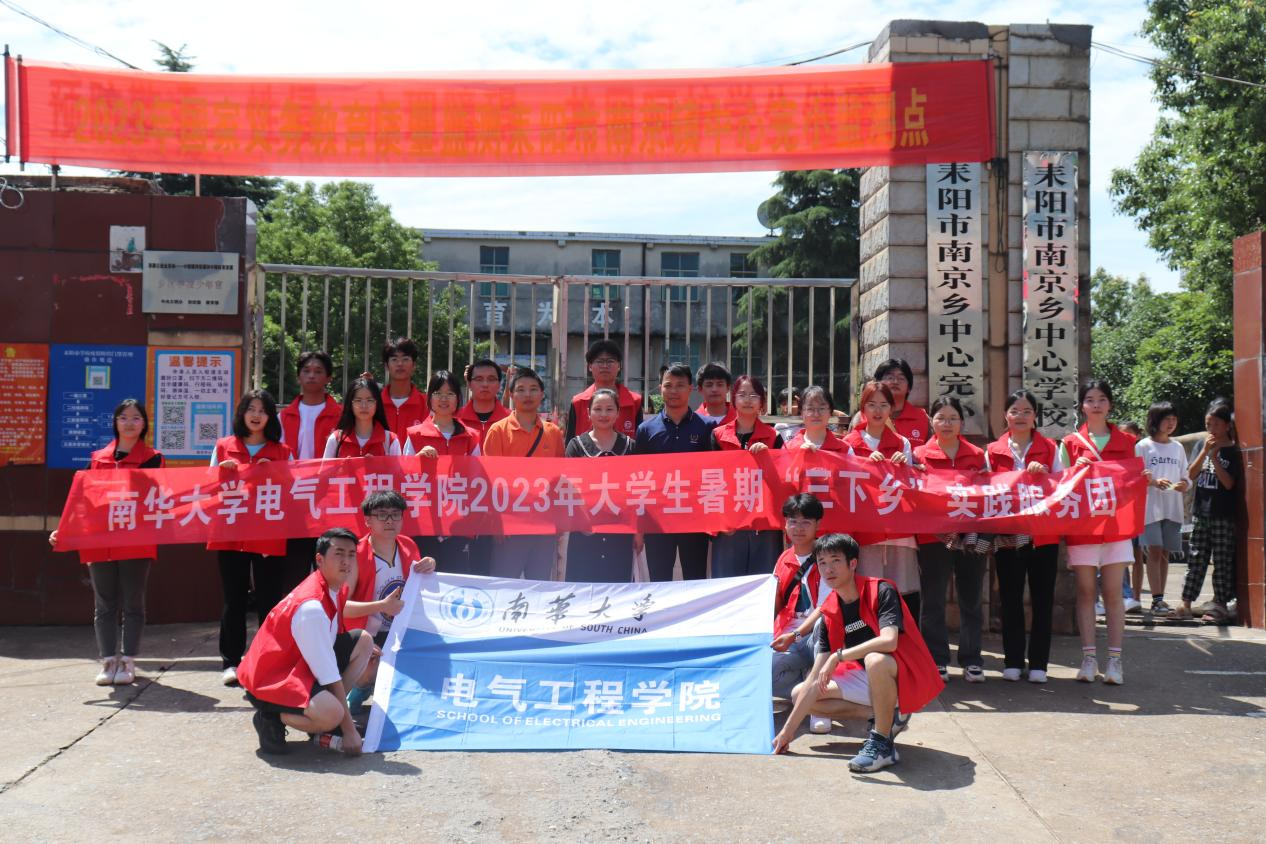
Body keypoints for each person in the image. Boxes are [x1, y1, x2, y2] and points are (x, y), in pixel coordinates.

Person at [771, 533, 943, 772]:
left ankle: (882, 745)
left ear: (853, 563)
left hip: (903, 676)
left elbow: (889, 641)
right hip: (869, 679)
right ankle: (887, 716)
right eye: (822, 562)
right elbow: (815, 677)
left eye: (835, 560)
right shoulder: (831, 610)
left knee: (875, 659)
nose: (828, 569)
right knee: (800, 694)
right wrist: (786, 733)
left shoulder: (880, 589)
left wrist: (839, 656)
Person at [49, 399, 164, 686]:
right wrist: (64, 530)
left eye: (136, 418)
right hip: (99, 541)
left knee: (133, 601)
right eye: (123, 417)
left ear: (144, 423)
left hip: (135, 540)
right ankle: (108, 659)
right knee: (104, 604)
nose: (129, 423)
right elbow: (80, 499)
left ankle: (128, 660)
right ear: (115, 422)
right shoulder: (97, 458)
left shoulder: (153, 458)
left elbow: (156, 497)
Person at [238, 528, 373, 756]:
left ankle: (322, 718)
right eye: (339, 554)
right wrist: (349, 730)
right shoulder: (312, 608)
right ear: (319, 559)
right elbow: (328, 674)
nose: (347, 561)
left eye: (351, 554)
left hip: (296, 665)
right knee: (332, 713)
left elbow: (332, 644)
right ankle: (271, 716)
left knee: (364, 642)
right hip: (269, 680)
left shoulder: (333, 586)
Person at [1059, 379, 1142, 685]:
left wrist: (1145, 477)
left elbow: (1133, 481)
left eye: (1102, 399)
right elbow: (1060, 485)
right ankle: (1089, 659)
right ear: (1082, 406)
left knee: (1113, 593)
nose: (1096, 405)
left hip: (1117, 527)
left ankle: (1115, 661)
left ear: (1110, 405)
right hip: (1084, 528)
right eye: (1090, 399)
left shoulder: (1127, 441)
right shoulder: (1070, 443)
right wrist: (1074, 470)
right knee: (1085, 592)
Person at [209, 389, 294, 687]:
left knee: (269, 600)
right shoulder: (223, 447)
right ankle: (231, 661)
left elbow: (294, 491)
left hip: (269, 533)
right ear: (242, 414)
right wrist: (221, 474)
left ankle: (265, 661)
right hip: (231, 532)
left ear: (271, 417)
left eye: (263, 410)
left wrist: (276, 473)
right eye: (251, 409)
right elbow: (207, 488)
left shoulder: (282, 451)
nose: (256, 415)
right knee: (233, 598)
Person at [985, 389, 1063, 683]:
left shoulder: (1051, 448)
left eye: (1027, 411)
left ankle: (1040, 664)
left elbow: (1064, 486)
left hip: (1043, 535)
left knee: (1043, 599)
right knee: (1010, 598)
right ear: (1005, 416)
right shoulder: (993, 451)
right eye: (1014, 411)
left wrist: (1045, 475)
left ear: (1035, 416)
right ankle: (1013, 660)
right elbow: (985, 489)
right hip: (1008, 535)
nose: (1020, 416)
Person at [913, 397, 988, 683]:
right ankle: (936, 659)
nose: (947, 423)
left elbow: (989, 490)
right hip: (933, 536)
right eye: (941, 418)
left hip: (971, 534)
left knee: (971, 599)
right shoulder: (919, 455)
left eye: (953, 418)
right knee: (933, 600)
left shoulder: (977, 455)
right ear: (931, 422)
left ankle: (972, 659)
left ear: (962, 423)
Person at [342, 491, 436, 713]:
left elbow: (419, 587)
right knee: (370, 665)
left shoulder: (408, 545)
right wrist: (381, 606)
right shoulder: (356, 555)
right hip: (365, 634)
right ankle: (359, 688)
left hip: (399, 629)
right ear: (368, 520)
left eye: (395, 514)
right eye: (382, 515)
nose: (389, 520)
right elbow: (341, 608)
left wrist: (430, 564)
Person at [843, 381, 921, 622]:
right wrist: (865, 465)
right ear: (862, 408)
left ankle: (905, 640)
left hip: (898, 530)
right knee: (868, 589)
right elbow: (845, 484)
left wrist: (905, 467)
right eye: (872, 404)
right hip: (865, 529)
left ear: (891, 408)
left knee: (904, 591)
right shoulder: (849, 444)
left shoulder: (902, 443)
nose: (878, 410)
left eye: (884, 405)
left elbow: (911, 486)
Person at [633, 363, 717, 581]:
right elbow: (638, 479)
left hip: (695, 518)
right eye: (668, 385)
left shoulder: (707, 427)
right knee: (659, 581)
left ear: (691, 389)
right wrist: (638, 527)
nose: (673, 391)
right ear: (660, 388)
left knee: (695, 579)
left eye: (680, 385)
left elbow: (715, 473)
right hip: (657, 520)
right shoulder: (646, 429)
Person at [484, 367, 566, 580]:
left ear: (542, 394)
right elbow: (491, 480)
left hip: (544, 524)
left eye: (533, 389)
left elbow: (559, 480)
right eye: (521, 389)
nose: (527, 394)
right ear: (511, 395)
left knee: (538, 584)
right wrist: (497, 521)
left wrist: (558, 520)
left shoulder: (553, 433)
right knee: (504, 583)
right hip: (510, 525)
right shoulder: (498, 431)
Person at [403, 371, 481, 573]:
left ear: (458, 398)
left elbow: (478, 479)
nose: (444, 399)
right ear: (430, 397)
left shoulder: (471, 437)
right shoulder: (415, 435)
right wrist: (417, 459)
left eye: (450, 394)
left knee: (457, 580)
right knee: (424, 579)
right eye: (438, 393)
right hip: (423, 524)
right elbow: (403, 477)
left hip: (459, 523)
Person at [710, 375, 784, 577]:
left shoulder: (774, 436)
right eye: (742, 394)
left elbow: (781, 481)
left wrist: (767, 458)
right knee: (728, 583)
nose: (748, 400)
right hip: (730, 522)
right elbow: (711, 480)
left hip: (764, 523)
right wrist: (721, 520)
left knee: (763, 580)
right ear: (733, 399)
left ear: (762, 401)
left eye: (754, 395)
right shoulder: (718, 435)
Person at [278, 350, 341, 589]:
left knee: (330, 571)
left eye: (318, 371)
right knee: (293, 572)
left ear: (328, 378)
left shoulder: (340, 415)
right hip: (294, 501)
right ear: (298, 376)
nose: (311, 376)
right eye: (306, 371)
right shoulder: (284, 416)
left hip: (329, 501)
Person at [1176, 401, 1241, 623]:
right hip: (1201, 512)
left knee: (1221, 560)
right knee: (1196, 557)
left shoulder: (1232, 450)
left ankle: (1220, 604)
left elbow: (1229, 483)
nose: (1211, 429)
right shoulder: (1201, 445)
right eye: (1208, 424)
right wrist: (1205, 451)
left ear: (1227, 426)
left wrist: (1214, 458)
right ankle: (1185, 603)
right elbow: (1190, 474)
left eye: (1216, 424)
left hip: (1222, 514)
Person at [768, 494, 828, 732]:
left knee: (824, 630)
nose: (799, 528)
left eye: (806, 522)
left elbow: (825, 607)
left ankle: (819, 707)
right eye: (793, 521)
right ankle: (807, 689)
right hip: (788, 632)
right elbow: (775, 601)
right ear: (785, 524)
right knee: (764, 675)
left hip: (816, 632)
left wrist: (795, 635)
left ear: (817, 524)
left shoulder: (827, 556)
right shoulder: (783, 558)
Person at [564, 388, 636, 582]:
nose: (603, 414)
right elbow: (569, 488)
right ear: (588, 413)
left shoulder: (630, 446)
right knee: (583, 582)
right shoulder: (576, 446)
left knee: (618, 583)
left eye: (609, 409)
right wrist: (581, 520)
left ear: (618, 412)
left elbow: (637, 492)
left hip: (621, 530)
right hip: (584, 530)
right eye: (597, 409)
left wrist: (638, 531)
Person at [1134, 402, 1189, 617]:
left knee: (1165, 552)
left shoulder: (1178, 447)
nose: (1171, 423)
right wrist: (1154, 482)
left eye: (1174, 419)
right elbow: (1135, 476)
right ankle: (1157, 600)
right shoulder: (1143, 446)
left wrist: (1185, 484)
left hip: (1172, 507)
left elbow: (1185, 475)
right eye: (1167, 419)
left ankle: (1160, 598)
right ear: (1155, 421)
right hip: (1150, 508)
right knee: (1155, 549)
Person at [565, 339, 643, 441]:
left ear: (619, 366)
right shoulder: (578, 402)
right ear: (590, 366)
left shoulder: (635, 402)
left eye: (610, 361)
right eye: (600, 361)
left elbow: (641, 443)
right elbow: (570, 442)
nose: (605, 366)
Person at [851, 359, 931, 445]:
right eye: (890, 377)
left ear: (909, 387)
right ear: (878, 384)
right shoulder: (862, 416)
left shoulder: (922, 418)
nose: (895, 382)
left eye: (901, 378)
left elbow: (932, 449)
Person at [322, 374, 402, 458]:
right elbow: (326, 467)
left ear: (377, 403)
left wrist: (377, 465)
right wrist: (344, 466)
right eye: (358, 400)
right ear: (350, 404)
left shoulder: (390, 440)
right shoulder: (336, 439)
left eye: (369, 400)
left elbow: (398, 467)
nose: (364, 406)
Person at [380, 337, 428, 440]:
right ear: (386, 366)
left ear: (414, 365)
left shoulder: (428, 404)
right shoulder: (375, 403)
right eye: (394, 359)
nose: (400, 364)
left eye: (405, 359)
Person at [456, 358, 511, 446]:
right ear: (469, 384)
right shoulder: (455, 420)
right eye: (479, 379)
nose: (485, 384)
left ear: (499, 385)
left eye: (491, 379)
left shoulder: (512, 420)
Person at [783, 386, 849, 453]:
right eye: (810, 409)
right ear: (801, 412)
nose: (816, 414)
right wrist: (799, 455)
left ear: (830, 412)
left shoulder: (845, 449)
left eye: (822, 408)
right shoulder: (787, 448)